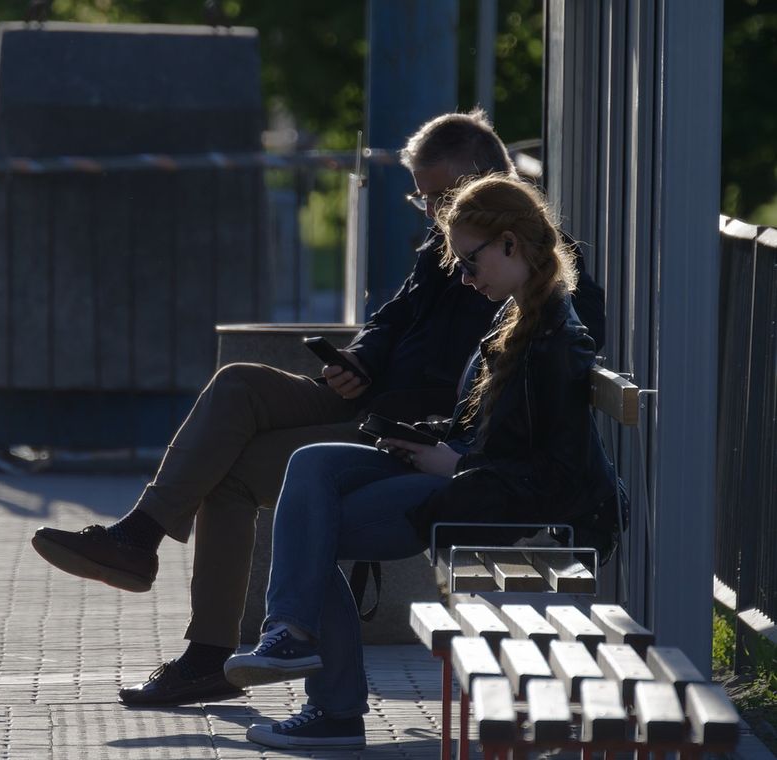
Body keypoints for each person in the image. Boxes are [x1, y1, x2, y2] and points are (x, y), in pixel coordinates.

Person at [30, 109, 605, 707]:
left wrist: (445, 445)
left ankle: (207, 655)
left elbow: (545, 375)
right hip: (367, 400)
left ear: (490, 191)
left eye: (444, 197)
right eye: (425, 201)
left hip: (407, 429)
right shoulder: (451, 248)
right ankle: (138, 537)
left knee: (230, 476)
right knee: (238, 382)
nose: (435, 217)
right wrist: (357, 360)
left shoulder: (537, 269)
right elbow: (391, 319)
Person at [221, 174, 623, 750]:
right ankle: (289, 633)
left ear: (510, 243)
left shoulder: (557, 339)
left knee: (316, 530)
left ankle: (332, 706)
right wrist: (428, 439)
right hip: (464, 471)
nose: (463, 277)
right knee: (312, 463)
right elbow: (488, 430)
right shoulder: (517, 316)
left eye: (470, 261)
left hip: (484, 496)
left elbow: (554, 479)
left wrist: (451, 466)